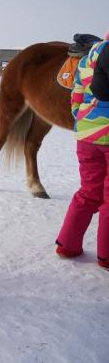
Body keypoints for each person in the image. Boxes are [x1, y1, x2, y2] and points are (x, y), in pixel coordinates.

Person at [56, 27, 109, 270]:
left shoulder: (87, 58)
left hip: (87, 137)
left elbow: (76, 97)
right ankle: (106, 256)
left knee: (88, 191)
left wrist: (83, 121)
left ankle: (67, 245)